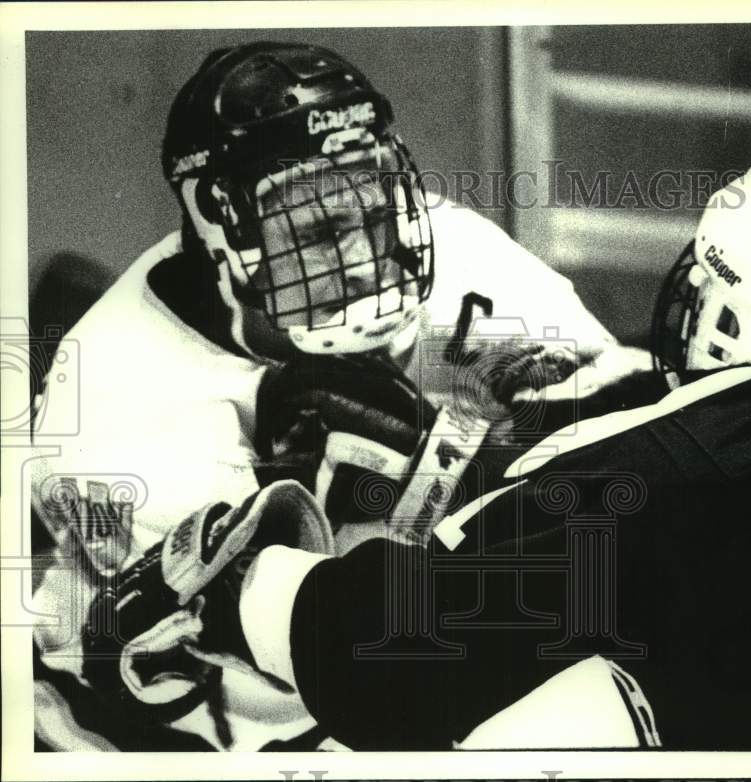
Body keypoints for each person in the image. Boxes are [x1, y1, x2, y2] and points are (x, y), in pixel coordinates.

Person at [80, 161, 751, 751]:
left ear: (735, 310)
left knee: (572, 707)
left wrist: (247, 588)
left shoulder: (659, 471)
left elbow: (400, 653)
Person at [29, 41, 652, 751]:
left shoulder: (449, 249)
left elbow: (622, 424)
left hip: (380, 661)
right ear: (216, 216)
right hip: (189, 736)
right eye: (321, 232)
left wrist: (515, 435)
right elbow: (328, 658)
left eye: (373, 212)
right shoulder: (122, 402)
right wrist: (454, 472)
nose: (364, 258)